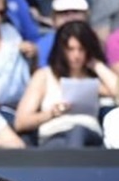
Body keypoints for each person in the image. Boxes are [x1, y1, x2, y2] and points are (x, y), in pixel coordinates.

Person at [15, 20, 113, 148]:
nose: (76, 55)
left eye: (81, 49)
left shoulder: (94, 78)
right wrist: (52, 113)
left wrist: (96, 64)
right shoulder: (44, 76)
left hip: (89, 137)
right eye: (70, 49)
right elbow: (21, 122)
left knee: (78, 131)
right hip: (54, 136)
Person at [36, 0, 90, 67]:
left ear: (86, 16)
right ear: (54, 18)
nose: (70, 17)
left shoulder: (94, 41)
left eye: (75, 12)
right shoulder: (44, 45)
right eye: (64, 13)